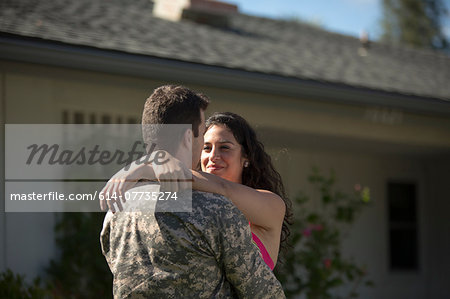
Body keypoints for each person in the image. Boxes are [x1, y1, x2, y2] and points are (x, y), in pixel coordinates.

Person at [100, 85, 286, 298]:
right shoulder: (193, 200)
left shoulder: (268, 204)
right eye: (206, 147)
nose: (213, 156)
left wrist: (145, 165)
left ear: (246, 158)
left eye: (224, 147)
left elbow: (224, 190)